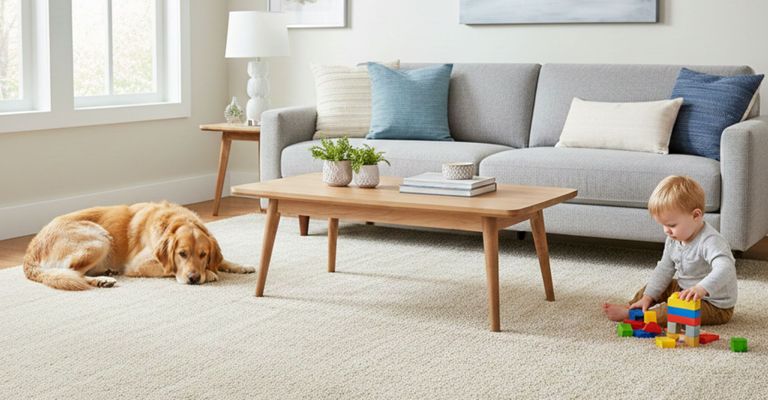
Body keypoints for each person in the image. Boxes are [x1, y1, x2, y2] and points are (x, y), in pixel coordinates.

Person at [602, 175, 737, 325]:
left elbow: (726, 268)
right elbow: (664, 269)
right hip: (685, 289)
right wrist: (648, 297)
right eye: (663, 225)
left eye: (672, 225)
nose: (666, 231)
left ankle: (637, 316)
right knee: (655, 287)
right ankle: (635, 306)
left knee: (672, 312)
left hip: (713, 304)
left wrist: (701, 289)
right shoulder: (674, 239)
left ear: (696, 216)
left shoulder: (710, 241)